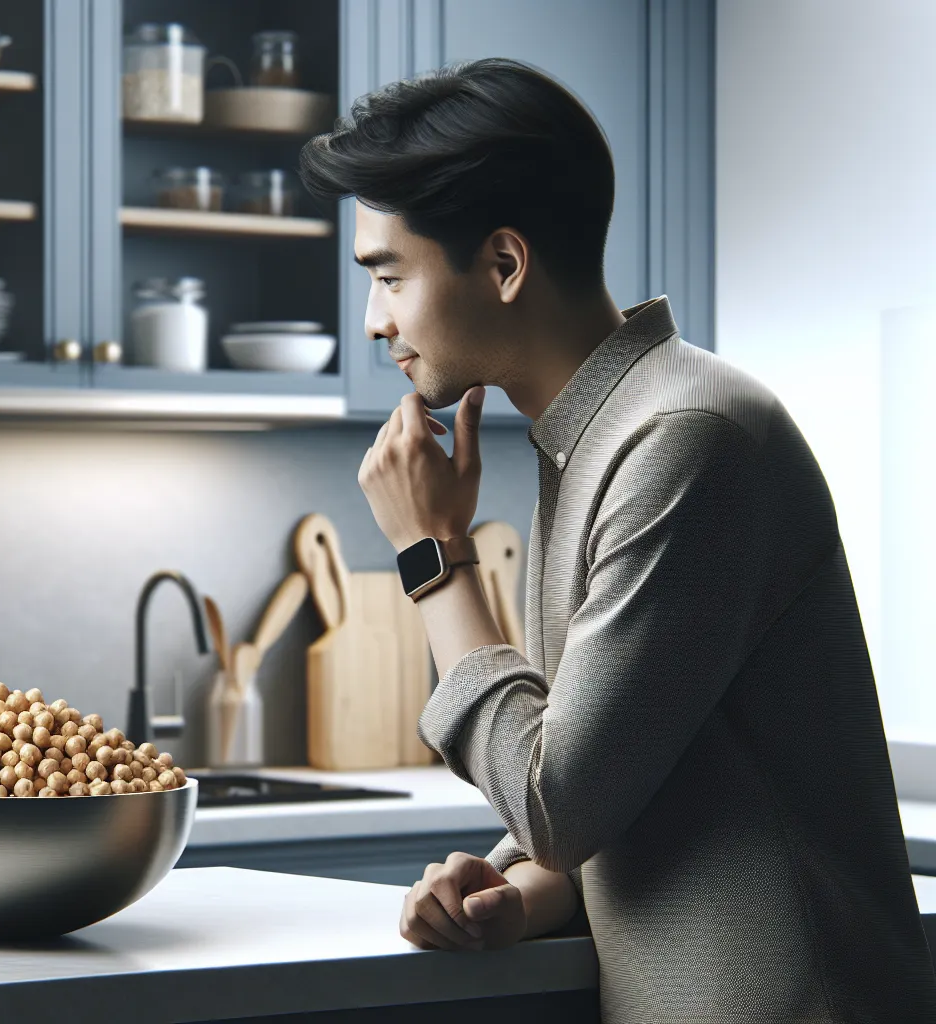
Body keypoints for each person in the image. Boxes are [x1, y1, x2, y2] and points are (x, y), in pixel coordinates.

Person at [300, 57, 936, 1022]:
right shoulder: (603, 436)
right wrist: (520, 889)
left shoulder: (683, 440)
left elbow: (557, 799)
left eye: (389, 276)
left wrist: (434, 556)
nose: (373, 320)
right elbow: (630, 781)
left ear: (504, 265)